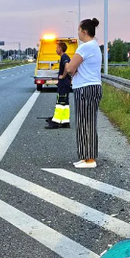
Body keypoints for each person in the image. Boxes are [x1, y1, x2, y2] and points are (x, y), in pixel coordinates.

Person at [65, 18, 103, 168]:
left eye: (79, 30)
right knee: (87, 122)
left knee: (84, 123)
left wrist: (67, 64)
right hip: (92, 87)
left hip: (85, 88)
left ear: (84, 31)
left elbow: (70, 69)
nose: (78, 33)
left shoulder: (84, 47)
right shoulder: (95, 46)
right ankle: (85, 156)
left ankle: (89, 159)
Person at [45, 41, 71, 129]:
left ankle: (55, 122)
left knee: (60, 103)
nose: (56, 50)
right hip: (65, 84)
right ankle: (65, 121)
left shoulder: (64, 57)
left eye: (57, 48)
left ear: (60, 48)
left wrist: (62, 76)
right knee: (65, 103)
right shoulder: (65, 57)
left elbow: (67, 67)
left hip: (63, 84)